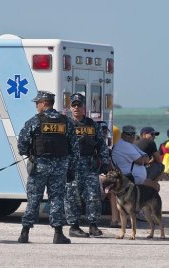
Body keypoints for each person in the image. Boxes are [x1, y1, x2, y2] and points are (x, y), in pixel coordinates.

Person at [17, 90, 79, 244]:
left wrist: (29, 153)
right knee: (57, 199)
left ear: (44, 103)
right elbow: (75, 148)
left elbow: (22, 144)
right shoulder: (66, 122)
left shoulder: (35, 121)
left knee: (33, 199)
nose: (36, 106)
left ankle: (24, 233)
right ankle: (58, 234)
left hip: (39, 166)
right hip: (60, 167)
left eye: (37, 103)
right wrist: (71, 168)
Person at [64, 93, 110, 238]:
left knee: (93, 196)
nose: (76, 108)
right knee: (72, 197)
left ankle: (93, 226)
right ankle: (74, 226)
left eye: (79, 105)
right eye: (74, 105)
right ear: (70, 108)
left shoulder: (92, 125)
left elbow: (102, 145)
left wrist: (104, 163)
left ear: (84, 107)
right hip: (72, 166)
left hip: (90, 166)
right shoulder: (65, 125)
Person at [112, 125, 159, 191]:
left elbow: (146, 157)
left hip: (133, 176)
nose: (131, 136)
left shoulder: (131, 144)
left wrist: (144, 158)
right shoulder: (124, 145)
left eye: (133, 134)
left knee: (155, 186)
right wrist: (144, 158)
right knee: (155, 186)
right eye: (128, 134)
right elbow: (141, 161)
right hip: (129, 177)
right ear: (122, 135)